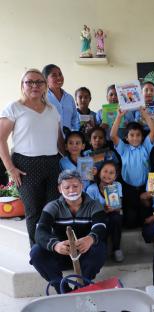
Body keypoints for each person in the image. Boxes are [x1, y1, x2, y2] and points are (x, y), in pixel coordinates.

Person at [0, 68, 63, 246]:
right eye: (30, 82)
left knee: (52, 209)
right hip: (26, 165)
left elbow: (59, 142)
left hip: (52, 164)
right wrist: (10, 169)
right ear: (22, 85)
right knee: (33, 211)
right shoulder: (14, 108)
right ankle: (37, 252)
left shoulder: (52, 110)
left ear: (45, 86)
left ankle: (53, 248)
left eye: (39, 82)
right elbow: (0, 140)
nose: (34, 85)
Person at [29, 170, 107, 294]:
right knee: (36, 252)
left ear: (82, 186)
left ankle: (82, 288)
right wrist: (55, 245)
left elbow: (101, 226)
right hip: (61, 253)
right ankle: (62, 290)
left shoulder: (94, 205)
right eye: (66, 187)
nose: (72, 190)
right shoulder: (52, 206)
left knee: (100, 249)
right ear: (60, 189)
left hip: (84, 253)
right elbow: (40, 231)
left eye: (75, 186)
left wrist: (90, 239)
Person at [111, 108, 154, 228]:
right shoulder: (123, 149)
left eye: (138, 135)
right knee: (130, 221)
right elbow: (113, 135)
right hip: (128, 189)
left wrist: (144, 114)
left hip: (144, 188)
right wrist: (119, 116)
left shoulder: (146, 147)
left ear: (142, 137)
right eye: (132, 135)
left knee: (145, 220)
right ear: (126, 137)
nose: (135, 138)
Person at [86, 161, 124, 262]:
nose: (108, 175)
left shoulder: (117, 185)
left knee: (116, 218)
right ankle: (102, 249)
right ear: (99, 173)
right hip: (98, 216)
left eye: (111, 173)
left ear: (115, 176)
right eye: (105, 171)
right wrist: (103, 210)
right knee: (102, 222)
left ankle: (116, 249)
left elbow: (119, 206)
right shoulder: (91, 189)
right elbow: (89, 211)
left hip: (112, 214)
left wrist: (114, 208)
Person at [43, 64, 80, 133]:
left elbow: (75, 120)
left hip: (68, 141)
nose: (59, 77)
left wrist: (74, 135)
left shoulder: (69, 98)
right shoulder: (42, 98)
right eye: (54, 75)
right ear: (45, 79)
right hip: (49, 140)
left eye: (60, 74)